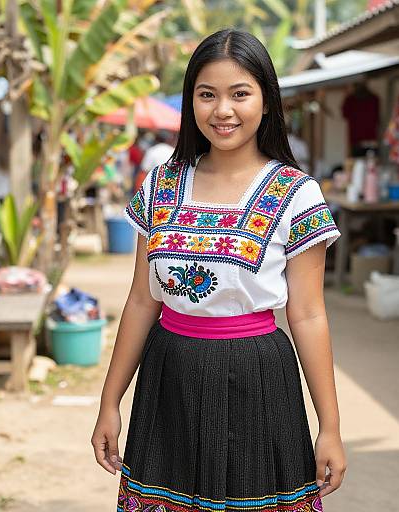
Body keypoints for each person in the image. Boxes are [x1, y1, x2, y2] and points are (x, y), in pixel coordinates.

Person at [92, 29, 346, 512]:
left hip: (259, 378)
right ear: (191, 101)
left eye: (240, 94)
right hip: (168, 376)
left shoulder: (296, 194)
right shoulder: (162, 184)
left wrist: (329, 428)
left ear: (267, 101)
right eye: (207, 94)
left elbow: (309, 315)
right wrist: (110, 402)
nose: (222, 110)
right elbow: (142, 300)